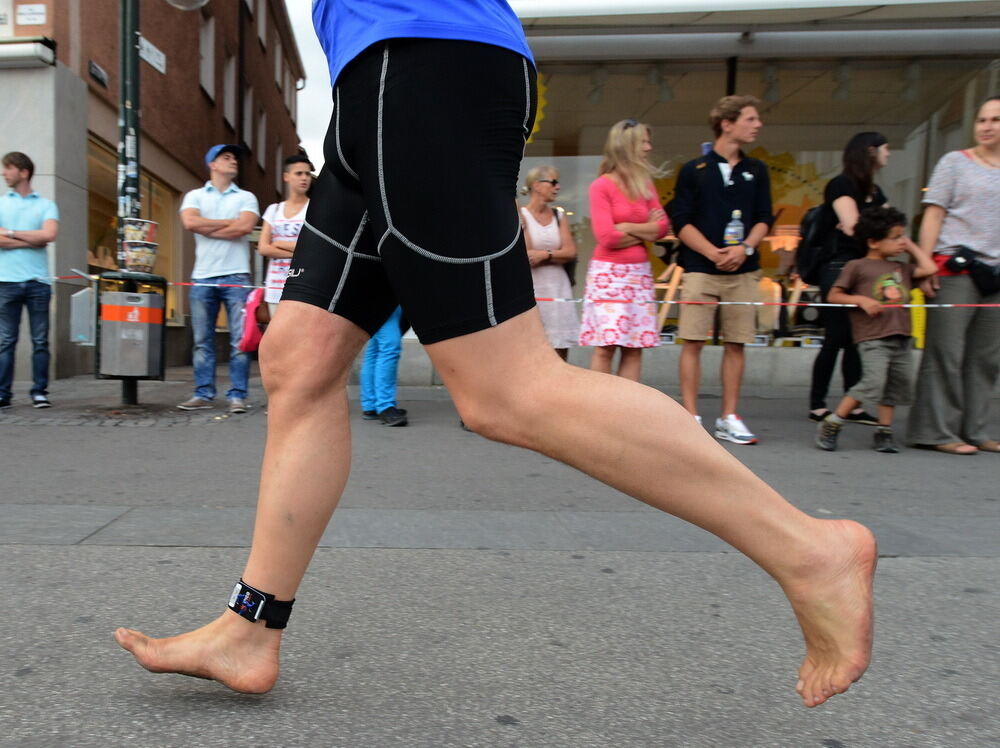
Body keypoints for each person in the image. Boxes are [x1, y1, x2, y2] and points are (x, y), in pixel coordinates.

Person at [115, 1, 876, 711]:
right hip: (369, 75)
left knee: (505, 389)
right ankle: (251, 628)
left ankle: (811, 550)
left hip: (427, 58)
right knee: (298, 355)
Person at [669, 95, 773, 444]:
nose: (757, 125)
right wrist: (713, 253)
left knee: (737, 343)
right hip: (700, 267)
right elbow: (680, 221)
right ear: (727, 124)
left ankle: (729, 415)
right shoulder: (693, 170)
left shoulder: (756, 170)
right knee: (693, 340)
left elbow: (764, 218)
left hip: (743, 270)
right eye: (750, 118)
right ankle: (690, 416)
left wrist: (744, 249)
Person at [906, 95, 1000, 455]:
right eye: (982, 120)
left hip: (995, 274)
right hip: (954, 266)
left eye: (995, 119)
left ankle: (975, 429)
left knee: (987, 358)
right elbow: (933, 214)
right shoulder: (954, 163)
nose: (987, 126)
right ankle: (936, 431)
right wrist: (925, 266)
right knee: (945, 353)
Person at [816, 207, 936, 453]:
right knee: (873, 381)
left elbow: (930, 268)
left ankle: (884, 431)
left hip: (901, 335)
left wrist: (910, 245)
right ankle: (834, 421)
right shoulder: (857, 266)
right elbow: (834, 295)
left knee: (895, 384)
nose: (901, 242)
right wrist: (861, 300)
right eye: (895, 237)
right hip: (873, 337)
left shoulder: (902, 269)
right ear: (873, 241)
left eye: (903, 236)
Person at [807, 133, 893, 426]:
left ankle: (852, 400)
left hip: (866, 268)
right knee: (836, 336)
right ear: (870, 151)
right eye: (885, 149)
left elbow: (880, 228)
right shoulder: (841, 185)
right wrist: (873, 231)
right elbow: (854, 226)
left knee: (858, 338)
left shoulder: (876, 192)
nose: (888, 155)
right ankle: (817, 403)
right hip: (839, 265)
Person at [578, 120, 667, 380]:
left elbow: (662, 228)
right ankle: (601, 410)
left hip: (638, 274)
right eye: (644, 142)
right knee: (605, 347)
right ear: (627, 146)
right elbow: (606, 237)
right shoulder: (602, 186)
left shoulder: (645, 185)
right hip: (609, 275)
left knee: (634, 347)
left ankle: (628, 410)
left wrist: (627, 226)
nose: (649, 148)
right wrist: (645, 229)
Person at [176, 144, 260, 414]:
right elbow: (189, 223)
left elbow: (245, 227)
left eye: (235, 157)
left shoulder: (246, 197)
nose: (233, 161)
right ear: (212, 164)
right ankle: (203, 393)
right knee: (202, 339)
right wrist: (228, 224)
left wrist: (208, 224)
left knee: (240, 340)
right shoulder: (194, 196)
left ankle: (237, 395)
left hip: (237, 275)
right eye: (226, 157)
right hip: (203, 276)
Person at [0, 151, 59, 409]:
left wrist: (11, 234)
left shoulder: (46, 205)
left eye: (8, 168)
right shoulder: (1, 203)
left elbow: (48, 235)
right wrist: (30, 238)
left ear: (23, 172)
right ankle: (3, 394)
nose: (4, 173)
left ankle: (39, 392)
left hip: (38, 282)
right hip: (6, 281)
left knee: (40, 341)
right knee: (5, 341)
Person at [520, 166, 578, 360]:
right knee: (531, 346)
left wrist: (545, 255)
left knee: (560, 348)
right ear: (537, 185)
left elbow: (570, 251)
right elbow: (526, 255)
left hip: (558, 288)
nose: (558, 187)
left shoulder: (558, 216)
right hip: (533, 288)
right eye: (553, 182)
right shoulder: (521, 215)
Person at [259, 154, 313, 317]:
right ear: (286, 177)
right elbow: (263, 248)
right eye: (299, 173)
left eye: (307, 173)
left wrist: (278, 243)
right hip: (275, 287)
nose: (304, 178)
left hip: (303, 285)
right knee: (276, 340)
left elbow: (312, 248)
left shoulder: (314, 209)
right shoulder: (273, 210)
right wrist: (297, 252)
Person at [359, 306, 408, 426]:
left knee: (375, 348)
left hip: (387, 298)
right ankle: (385, 406)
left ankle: (370, 404)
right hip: (383, 296)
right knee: (390, 345)